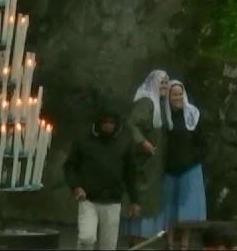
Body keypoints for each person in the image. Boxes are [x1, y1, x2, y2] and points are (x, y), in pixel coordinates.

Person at [63, 104, 142, 251]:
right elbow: (70, 166)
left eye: (111, 123)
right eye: (105, 122)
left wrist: (135, 200)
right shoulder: (84, 140)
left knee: (108, 246)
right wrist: (75, 187)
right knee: (87, 238)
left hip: (113, 201)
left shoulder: (124, 142)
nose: (108, 126)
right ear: (98, 123)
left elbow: (130, 173)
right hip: (88, 199)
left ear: (116, 124)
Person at [163, 80, 208, 249]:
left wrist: (194, 158)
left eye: (180, 94)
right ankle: (169, 242)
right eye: (174, 94)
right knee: (169, 207)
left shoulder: (193, 115)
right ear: (168, 96)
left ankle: (184, 244)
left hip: (190, 168)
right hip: (169, 169)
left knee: (187, 209)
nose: (177, 97)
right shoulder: (164, 117)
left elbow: (203, 142)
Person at [127, 69, 170, 244]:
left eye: (167, 83)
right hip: (143, 162)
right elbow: (132, 125)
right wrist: (143, 143)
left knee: (150, 203)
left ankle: (143, 242)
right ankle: (136, 243)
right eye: (162, 83)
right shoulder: (146, 102)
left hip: (153, 164)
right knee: (141, 202)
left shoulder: (158, 103)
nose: (165, 86)